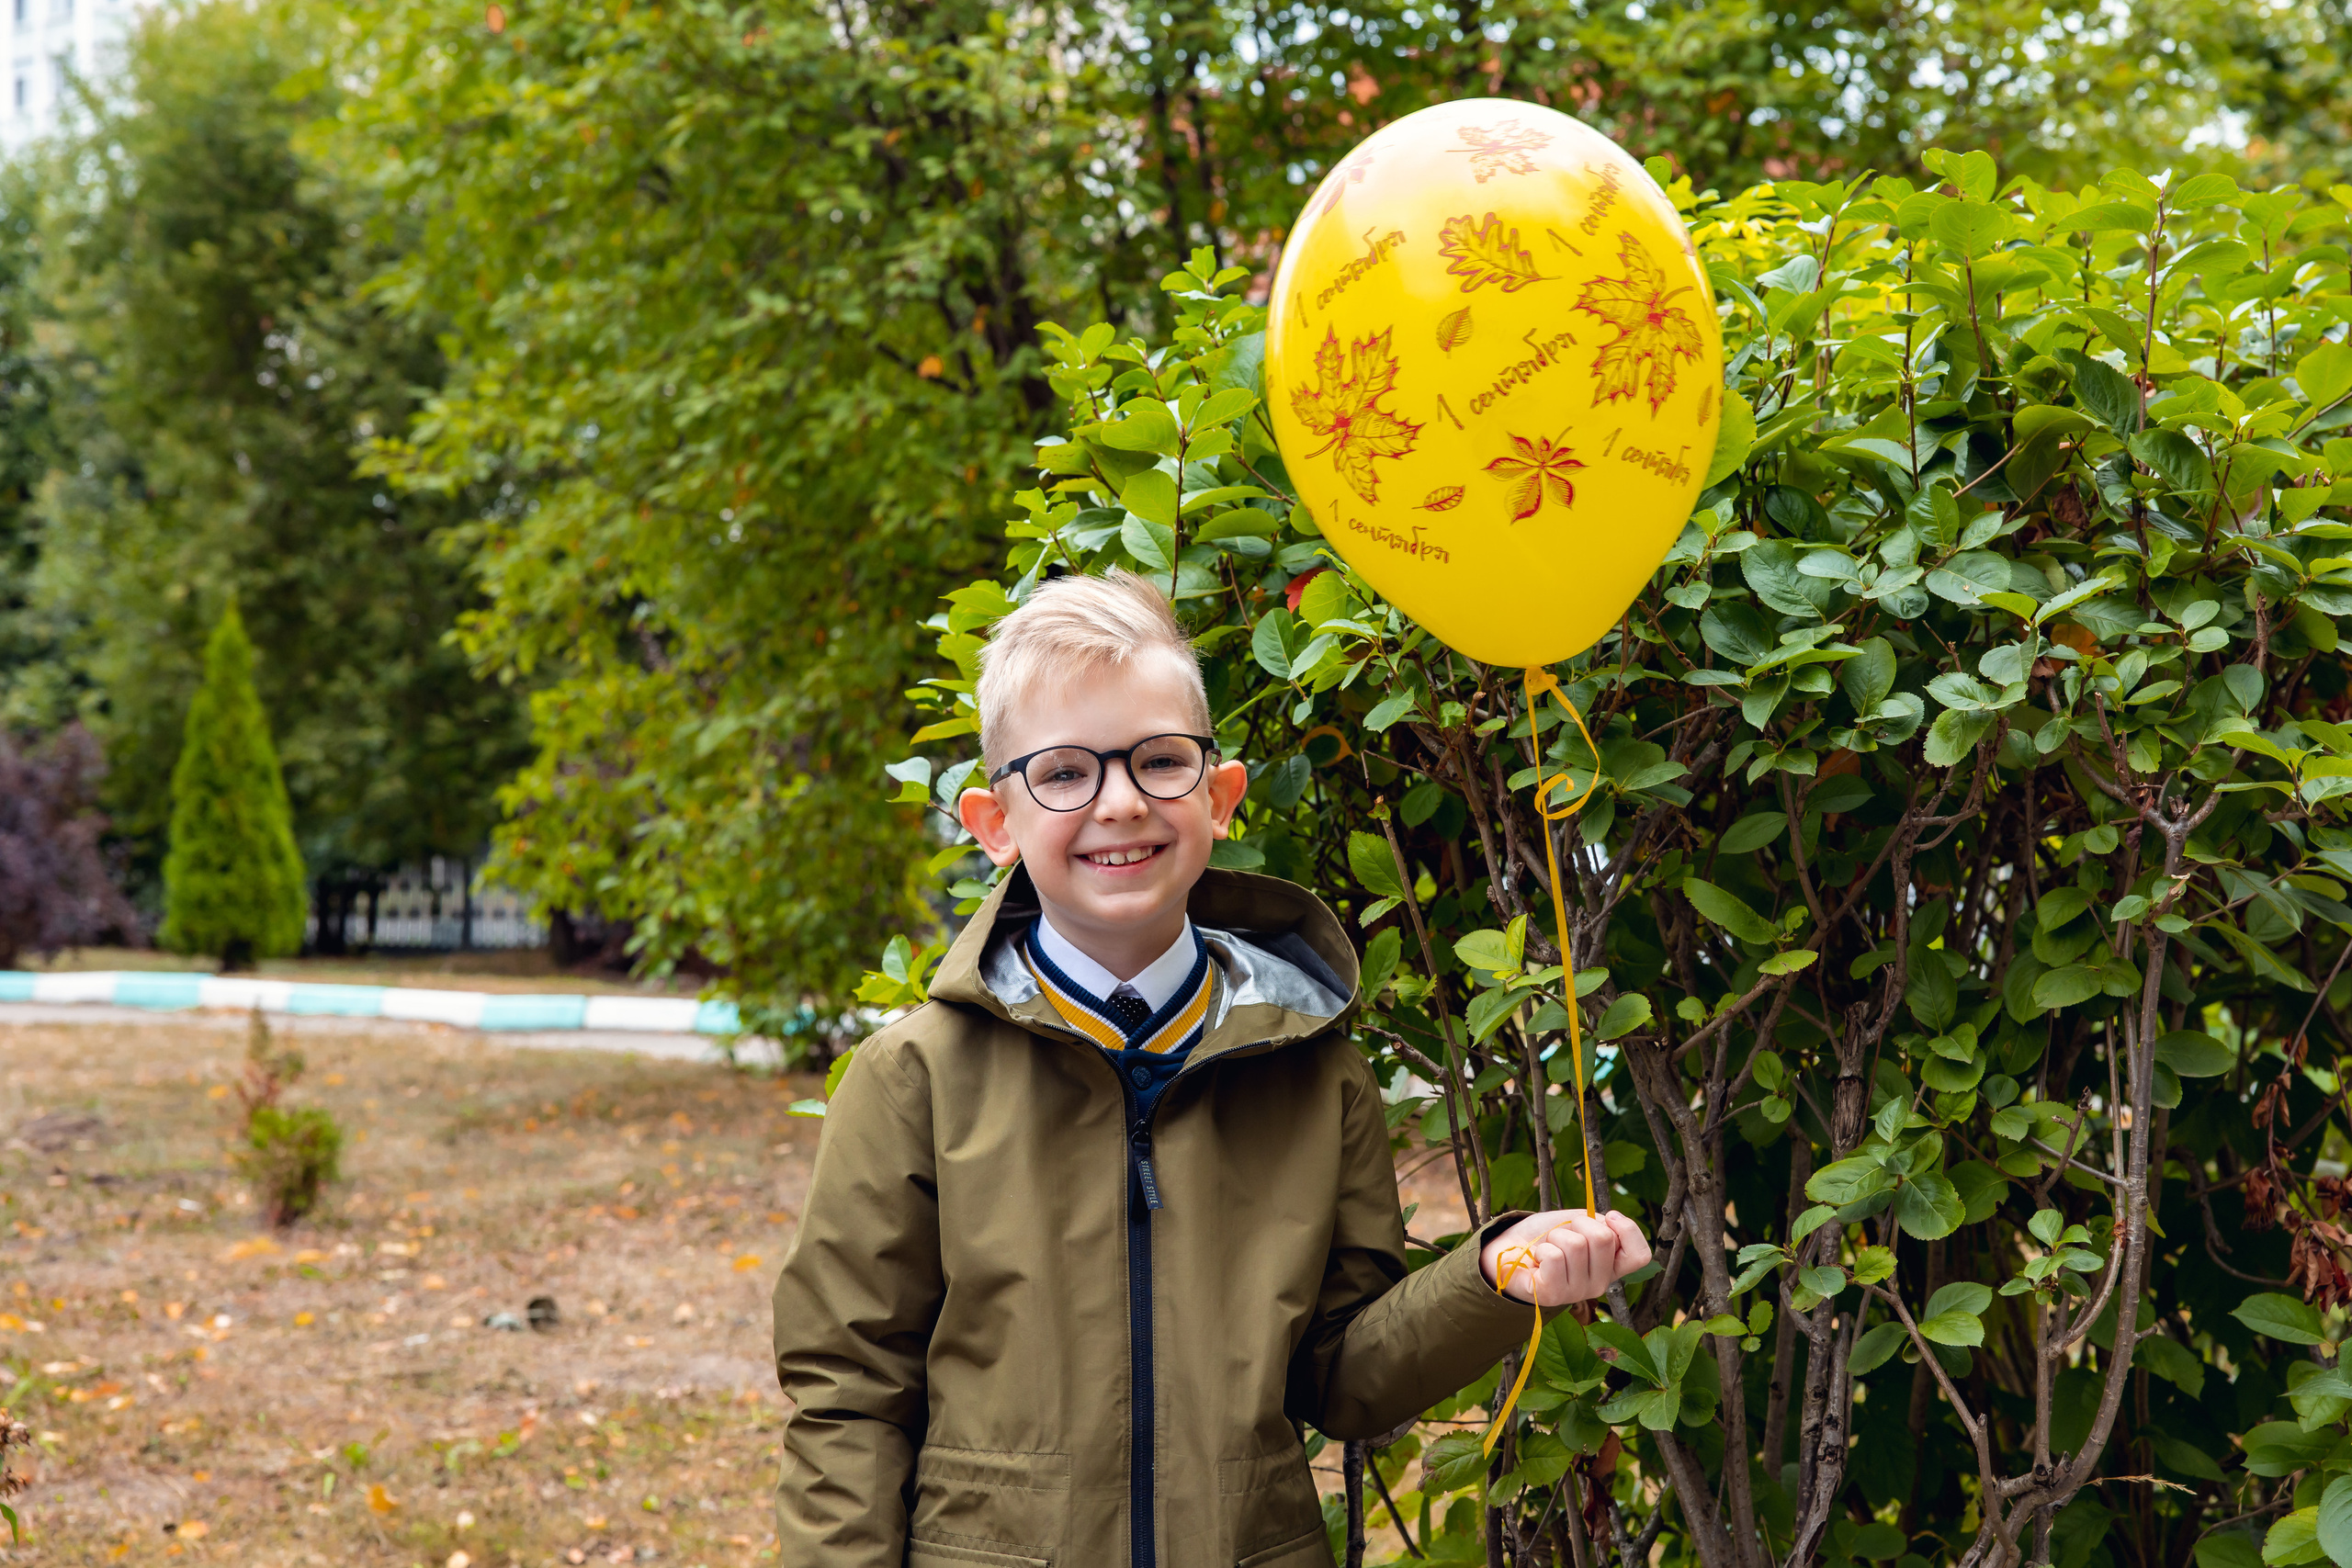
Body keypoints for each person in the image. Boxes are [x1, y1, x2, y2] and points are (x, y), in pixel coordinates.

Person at [771, 569, 1651, 1568]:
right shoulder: (913, 1081)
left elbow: (1341, 1373)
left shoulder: (1315, 1074)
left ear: (1219, 796)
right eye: (1063, 773)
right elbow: (847, 1393)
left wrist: (1493, 1279)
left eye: (1159, 761)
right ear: (994, 824)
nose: (1118, 803)